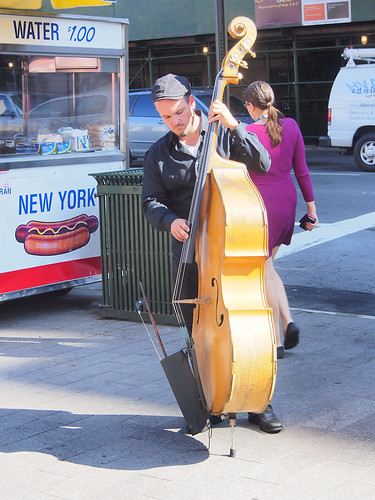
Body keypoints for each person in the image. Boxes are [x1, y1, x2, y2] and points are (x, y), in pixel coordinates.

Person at [141, 73, 282, 434]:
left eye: (178, 112)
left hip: (229, 253)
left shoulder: (221, 135)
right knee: (198, 331)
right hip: (189, 256)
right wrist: (169, 220)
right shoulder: (159, 153)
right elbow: (151, 203)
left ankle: (257, 399)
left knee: (245, 327)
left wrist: (236, 127)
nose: (175, 122)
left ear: (191, 101)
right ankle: (213, 398)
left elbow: (263, 163)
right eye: (166, 118)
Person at [243, 80, 319, 359]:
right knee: (269, 265)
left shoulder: (248, 132)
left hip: (262, 205)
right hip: (287, 201)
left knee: (264, 269)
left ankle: (277, 337)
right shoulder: (292, 127)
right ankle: (286, 324)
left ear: (251, 106)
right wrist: (312, 210)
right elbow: (302, 171)